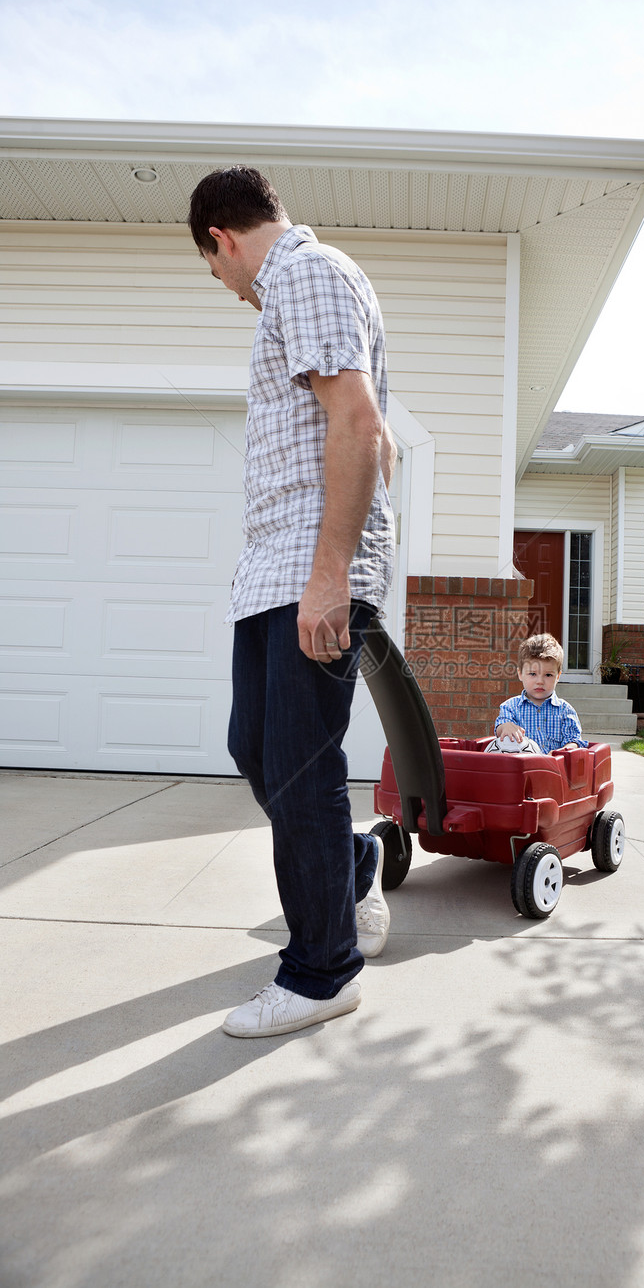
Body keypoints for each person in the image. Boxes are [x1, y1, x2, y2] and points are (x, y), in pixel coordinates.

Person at [187, 166, 397, 1038]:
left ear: (222, 240)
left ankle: (322, 973)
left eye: (213, 268)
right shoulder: (289, 293)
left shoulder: (305, 274)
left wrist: (330, 576)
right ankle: (350, 868)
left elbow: (358, 425)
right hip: (275, 566)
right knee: (259, 748)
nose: (222, 285)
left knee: (302, 767)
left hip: (310, 568)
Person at [492, 633, 588, 753]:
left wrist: (562, 752)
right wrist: (505, 727)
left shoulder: (565, 711)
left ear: (558, 676)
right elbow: (500, 727)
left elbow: (574, 741)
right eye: (533, 674)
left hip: (555, 768)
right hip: (521, 768)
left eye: (548, 675)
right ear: (520, 674)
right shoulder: (510, 707)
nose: (540, 681)